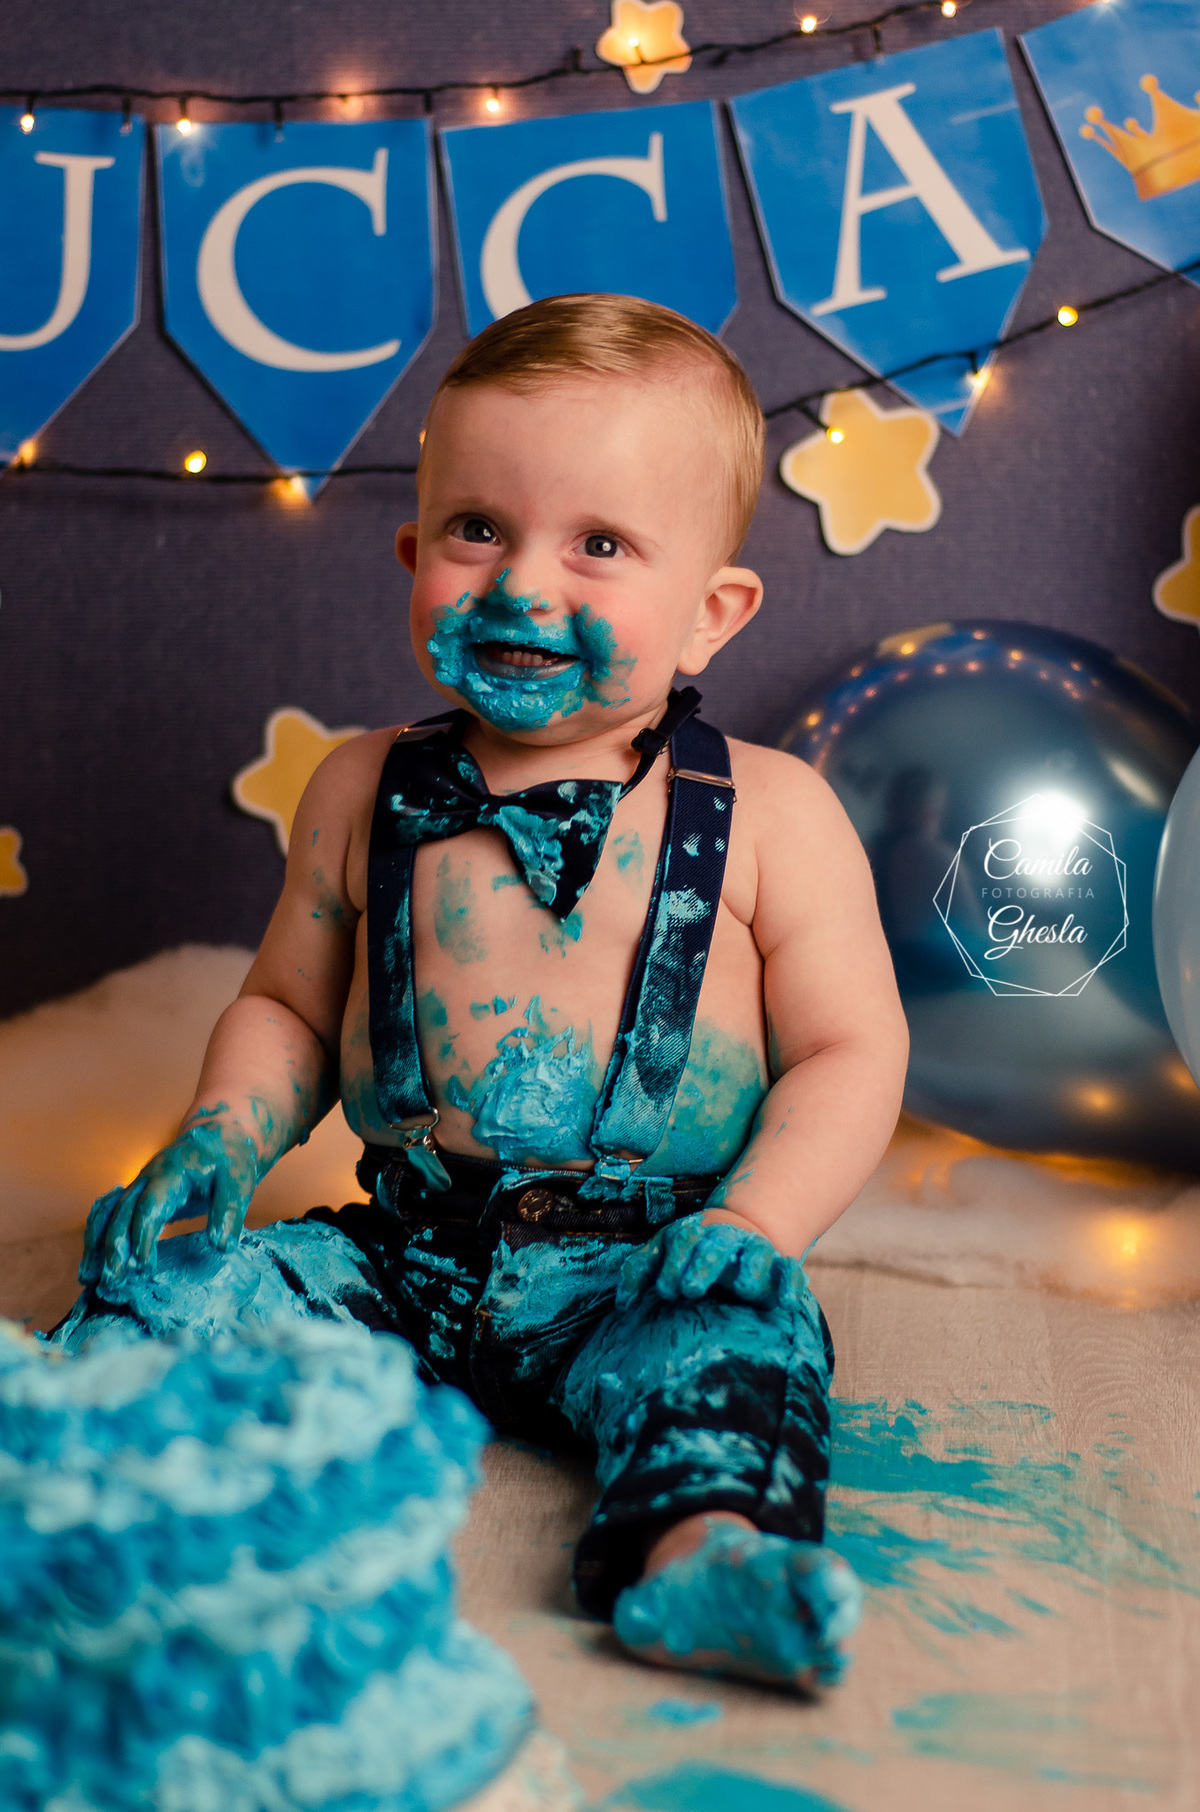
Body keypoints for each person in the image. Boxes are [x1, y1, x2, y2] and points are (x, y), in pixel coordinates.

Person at [58, 294, 909, 1692]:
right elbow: (287, 1011)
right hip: (406, 1254)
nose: (522, 585)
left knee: (734, 1351)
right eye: (476, 529)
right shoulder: (358, 788)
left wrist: (757, 1221)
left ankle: (702, 1551)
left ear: (711, 614)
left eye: (599, 545)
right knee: (174, 1286)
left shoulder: (775, 815)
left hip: (644, 1257)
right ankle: (89, 1490)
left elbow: (850, 1051)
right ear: (412, 553)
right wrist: (223, 1135)